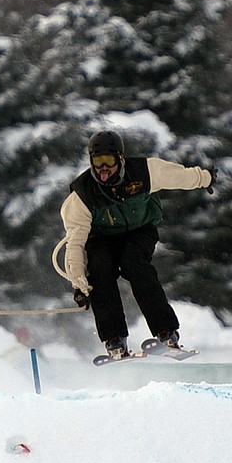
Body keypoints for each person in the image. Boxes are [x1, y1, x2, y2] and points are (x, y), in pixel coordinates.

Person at [59, 129, 217, 359]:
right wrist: (78, 282)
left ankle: (166, 333)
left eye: (109, 161)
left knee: (134, 264)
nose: (104, 169)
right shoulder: (82, 195)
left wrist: (206, 178)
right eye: (98, 161)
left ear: (120, 159)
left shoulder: (144, 172)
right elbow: (75, 244)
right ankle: (114, 340)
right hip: (101, 238)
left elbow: (179, 176)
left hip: (139, 231)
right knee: (101, 270)